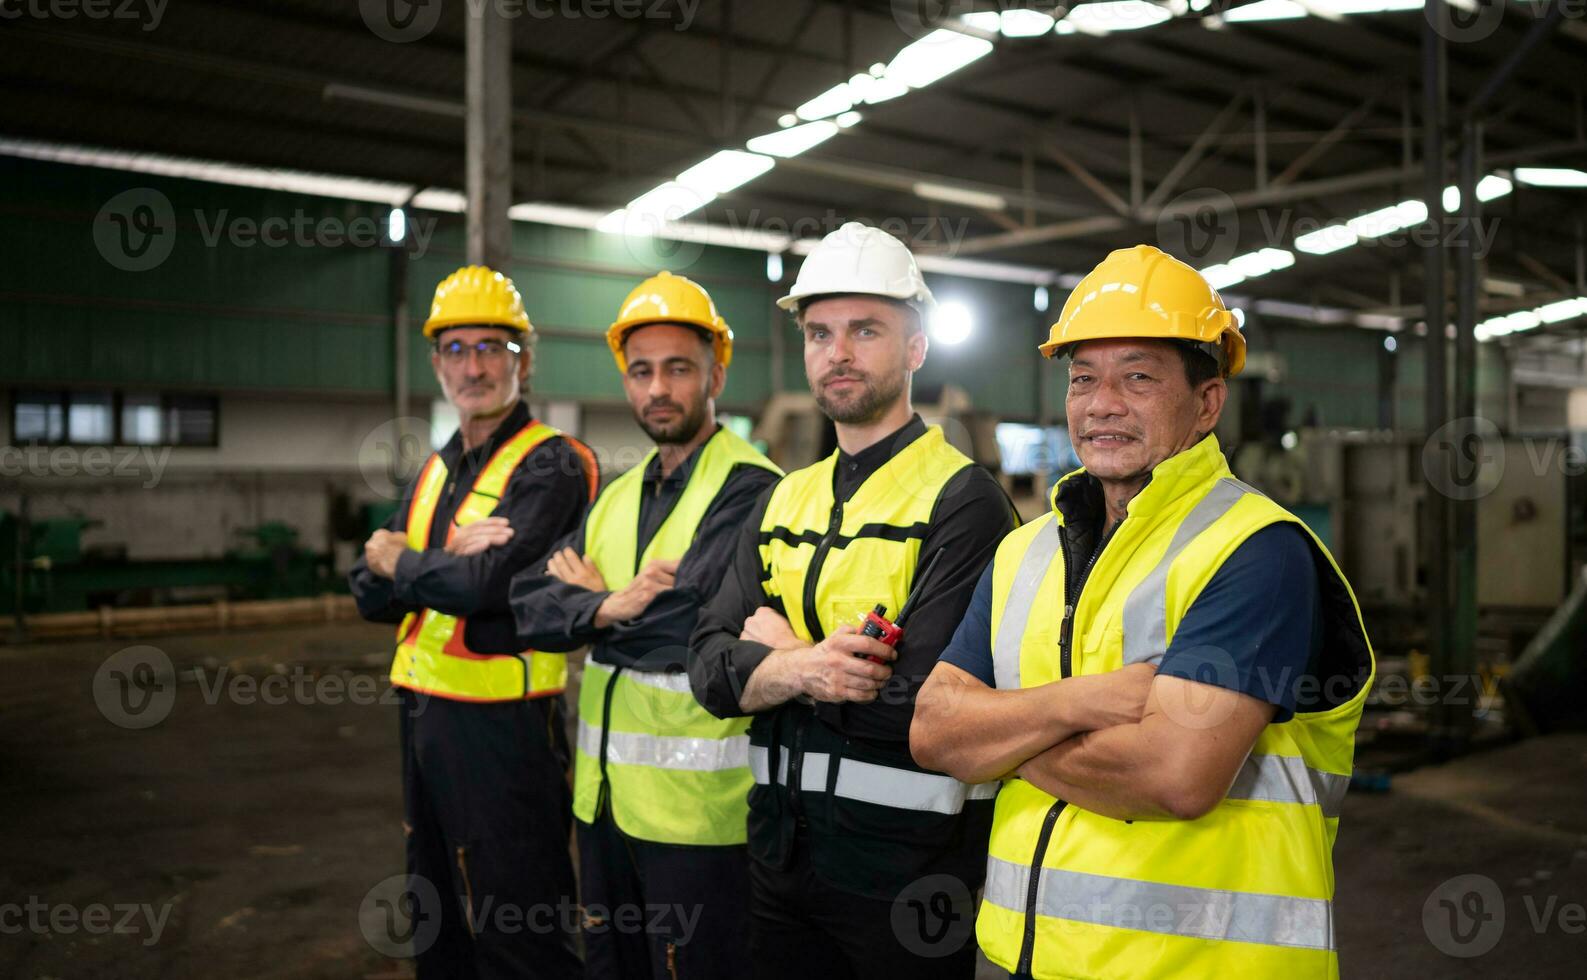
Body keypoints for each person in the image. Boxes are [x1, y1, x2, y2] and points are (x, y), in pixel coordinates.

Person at [910, 244, 1376, 980]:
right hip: (1009, 958)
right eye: (1082, 378)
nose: (1101, 404)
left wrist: (999, 739)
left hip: (1195, 964)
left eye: (1137, 377)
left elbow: (1173, 777)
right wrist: (1087, 702)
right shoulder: (1023, 552)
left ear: (1207, 401)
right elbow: (933, 733)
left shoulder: (1254, 550)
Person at [688, 223, 1018, 979]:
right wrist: (814, 667)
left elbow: (918, 706)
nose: (837, 352)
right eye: (819, 332)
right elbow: (706, 670)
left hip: (908, 875)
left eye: (865, 330)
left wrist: (773, 658)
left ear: (915, 348)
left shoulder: (964, 504)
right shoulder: (780, 501)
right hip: (780, 858)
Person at [509, 271, 782, 979]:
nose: (657, 389)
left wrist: (597, 613)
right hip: (601, 803)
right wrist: (608, 605)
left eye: (677, 369)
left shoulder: (752, 488)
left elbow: (691, 633)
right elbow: (529, 609)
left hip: (697, 817)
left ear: (716, 371)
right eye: (641, 372)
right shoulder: (616, 494)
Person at [349, 265, 597, 980]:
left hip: (505, 730)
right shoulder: (434, 468)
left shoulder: (553, 465)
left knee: (520, 923)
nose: (474, 365)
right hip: (423, 721)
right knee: (437, 914)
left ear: (524, 358)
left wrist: (410, 564)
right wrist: (430, 565)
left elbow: (492, 584)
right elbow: (367, 589)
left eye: (492, 346)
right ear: (436, 363)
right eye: (455, 349)